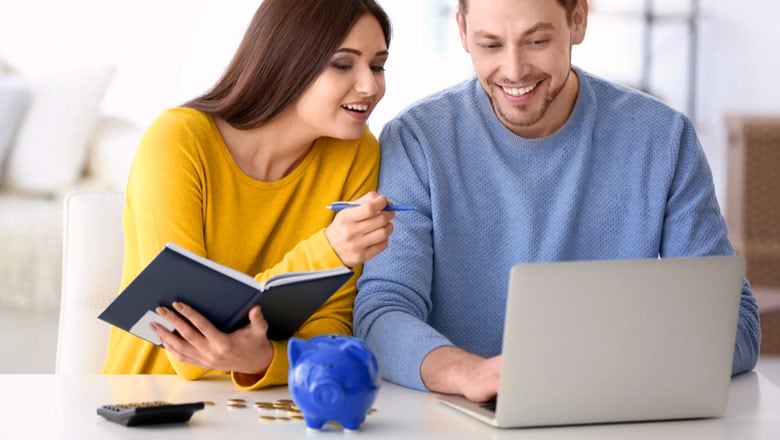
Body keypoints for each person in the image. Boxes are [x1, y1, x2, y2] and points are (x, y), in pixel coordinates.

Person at [354, 0, 761, 403]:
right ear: (462, 31)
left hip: (618, 412)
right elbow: (382, 311)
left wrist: (608, 373)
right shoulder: (418, 140)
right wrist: (469, 373)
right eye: (490, 45)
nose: (513, 71)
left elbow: (734, 323)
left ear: (578, 21)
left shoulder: (663, 138)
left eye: (536, 41)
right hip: (459, 414)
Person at [102, 0, 394, 391]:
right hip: (151, 402)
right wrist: (328, 251)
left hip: (274, 407)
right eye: (343, 64)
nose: (371, 86)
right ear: (287, 62)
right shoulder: (178, 141)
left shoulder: (357, 151)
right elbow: (184, 345)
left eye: (377, 65)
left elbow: (333, 328)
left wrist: (265, 360)